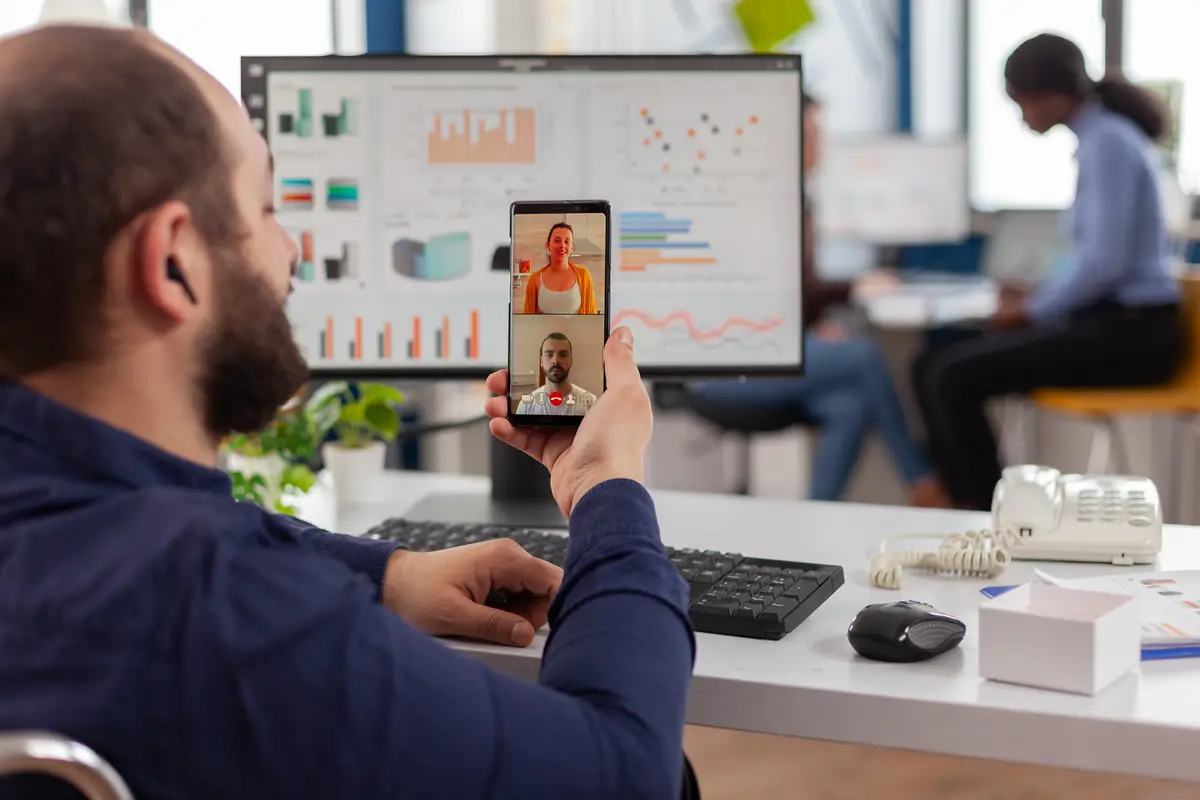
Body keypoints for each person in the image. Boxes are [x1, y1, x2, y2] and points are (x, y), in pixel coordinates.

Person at [0, 24, 694, 799]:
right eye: (264, 208)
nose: (292, 250)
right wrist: (608, 485)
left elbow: (146, 517)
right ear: (172, 262)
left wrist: (386, 574)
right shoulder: (222, 614)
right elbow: (628, 775)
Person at [912, 33, 1184, 511]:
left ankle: (989, 517)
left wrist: (1033, 309)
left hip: (1136, 336)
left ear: (1051, 96)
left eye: (1021, 104)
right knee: (934, 354)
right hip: (1112, 321)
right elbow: (1095, 259)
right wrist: (1039, 293)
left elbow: (1106, 263)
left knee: (951, 375)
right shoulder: (1100, 138)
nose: (1022, 117)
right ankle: (958, 499)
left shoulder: (1109, 145)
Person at [688, 93, 949, 506]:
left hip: (773, 351)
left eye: (819, 133)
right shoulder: (755, 203)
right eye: (810, 134)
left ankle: (816, 518)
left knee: (849, 405)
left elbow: (787, 291)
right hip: (729, 368)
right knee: (862, 357)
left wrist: (815, 322)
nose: (819, 145)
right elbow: (756, 296)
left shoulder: (796, 199)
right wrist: (849, 291)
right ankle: (922, 481)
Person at [515, 332, 599, 416]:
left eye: (563, 355)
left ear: (571, 361)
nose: (555, 361)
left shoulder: (591, 403)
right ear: (541, 362)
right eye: (549, 355)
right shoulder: (527, 405)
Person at [522, 222, 598, 314]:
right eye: (557, 241)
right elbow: (528, 321)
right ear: (548, 246)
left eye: (567, 241)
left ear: (572, 248)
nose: (562, 245)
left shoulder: (583, 275)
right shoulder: (534, 279)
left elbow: (591, 317)